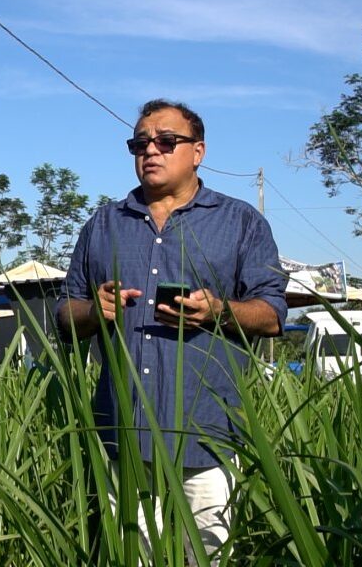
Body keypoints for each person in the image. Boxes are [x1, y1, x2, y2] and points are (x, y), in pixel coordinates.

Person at [56, 99, 287, 563]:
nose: (151, 151)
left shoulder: (240, 221)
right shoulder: (103, 223)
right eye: (140, 143)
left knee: (206, 556)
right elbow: (63, 314)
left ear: (197, 152)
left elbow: (273, 314)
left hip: (209, 439)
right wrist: (92, 311)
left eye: (166, 141)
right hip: (124, 437)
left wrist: (218, 311)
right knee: (133, 556)